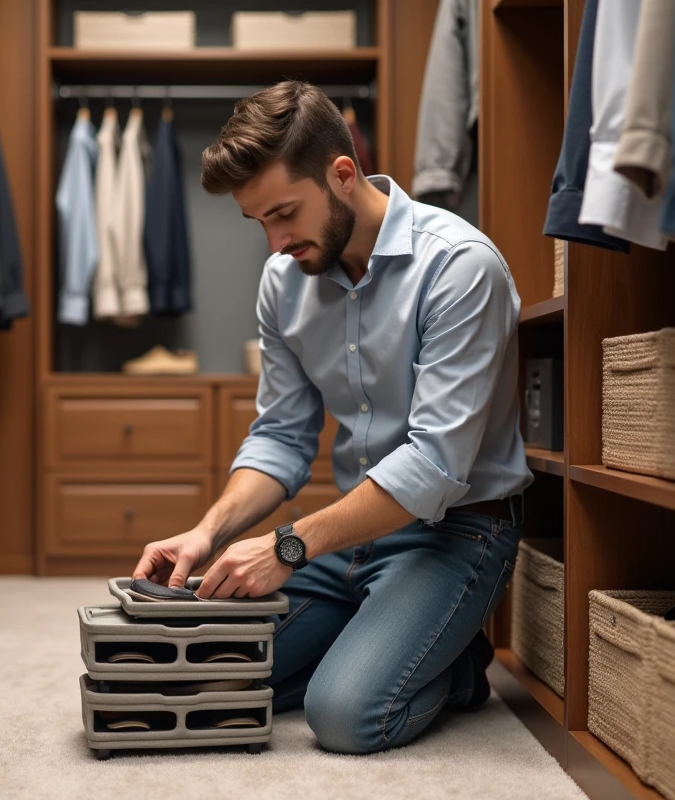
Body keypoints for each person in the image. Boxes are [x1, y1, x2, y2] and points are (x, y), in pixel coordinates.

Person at [131, 80, 532, 754]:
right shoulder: (284, 281)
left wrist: (289, 546)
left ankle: (460, 668)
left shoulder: (460, 268)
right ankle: (385, 638)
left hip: (458, 534)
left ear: (342, 174)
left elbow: (434, 466)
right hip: (350, 534)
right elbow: (281, 439)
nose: (274, 243)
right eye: (259, 221)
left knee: (343, 717)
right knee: (199, 679)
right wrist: (208, 532)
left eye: (284, 213)